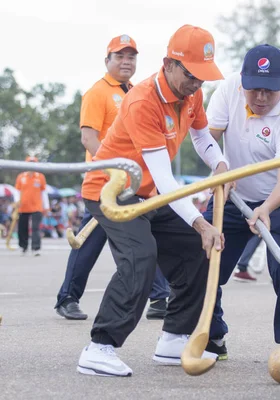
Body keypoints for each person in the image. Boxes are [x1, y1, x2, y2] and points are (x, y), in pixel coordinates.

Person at [76, 24, 228, 377]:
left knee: (197, 250)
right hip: (111, 191)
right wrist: (201, 221)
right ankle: (99, 348)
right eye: (191, 75)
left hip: (149, 194)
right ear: (168, 64)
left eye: (203, 78)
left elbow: (203, 138)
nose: (197, 84)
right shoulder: (143, 100)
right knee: (141, 257)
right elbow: (163, 176)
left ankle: (174, 339)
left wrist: (220, 164)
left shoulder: (192, 94)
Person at [204, 44, 280, 366]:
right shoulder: (227, 91)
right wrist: (220, 167)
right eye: (254, 90)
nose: (262, 98)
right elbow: (206, 137)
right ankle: (212, 335)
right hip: (232, 193)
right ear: (242, 82)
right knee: (203, 259)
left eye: (270, 90)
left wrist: (266, 208)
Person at [54, 34, 170, 321]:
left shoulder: (136, 91)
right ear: (107, 60)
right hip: (105, 183)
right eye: (119, 56)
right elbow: (88, 137)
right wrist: (113, 171)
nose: (126, 61)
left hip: (132, 184)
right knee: (93, 241)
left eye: (131, 56)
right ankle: (67, 297)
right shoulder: (98, 92)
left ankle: (158, 297)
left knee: (140, 237)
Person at [14, 156, 49, 256]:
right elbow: (17, 190)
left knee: (35, 228)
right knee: (22, 227)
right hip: (23, 206)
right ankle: (23, 246)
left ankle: (36, 248)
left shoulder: (40, 177)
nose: (32, 164)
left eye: (34, 162)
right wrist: (17, 201)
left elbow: (44, 193)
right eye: (30, 162)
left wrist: (46, 206)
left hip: (36, 207)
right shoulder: (21, 176)